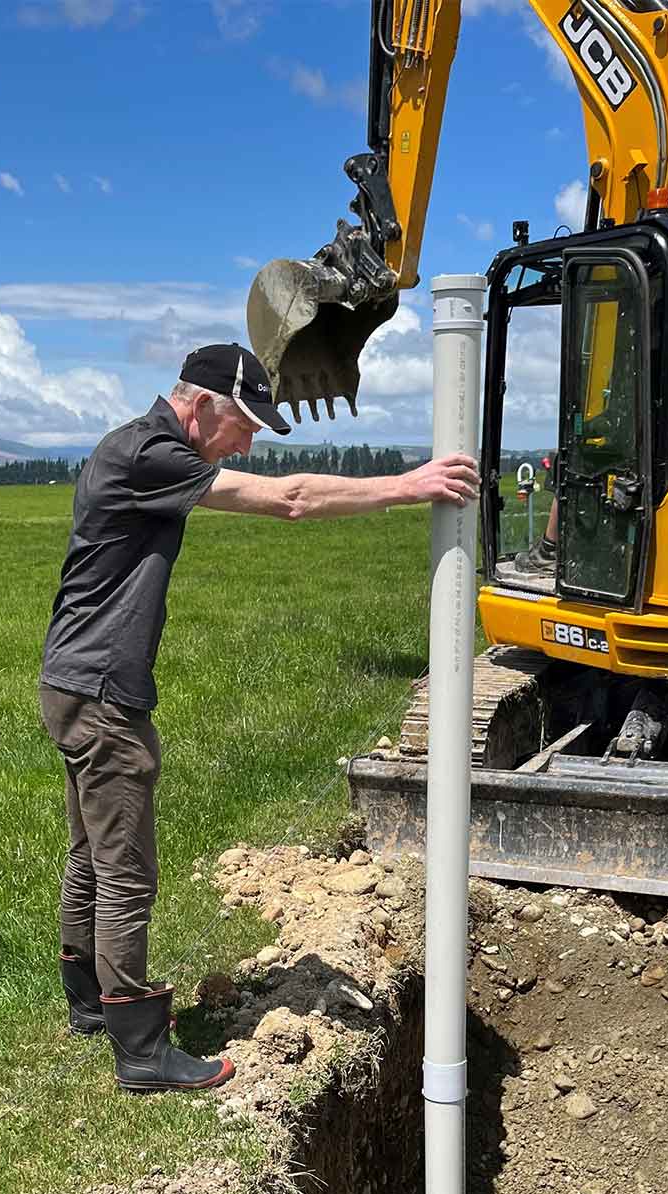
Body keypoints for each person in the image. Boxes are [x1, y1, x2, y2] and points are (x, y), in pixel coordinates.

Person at [40, 341, 479, 1094]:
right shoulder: (148, 452)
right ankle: (141, 1050)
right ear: (200, 404)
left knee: (90, 851)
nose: (248, 441)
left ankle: (88, 1005)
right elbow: (291, 500)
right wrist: (409, 486)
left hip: (74, 681)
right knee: (124, 869)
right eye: (243, 423)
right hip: (104, 692)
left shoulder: (129, 446)